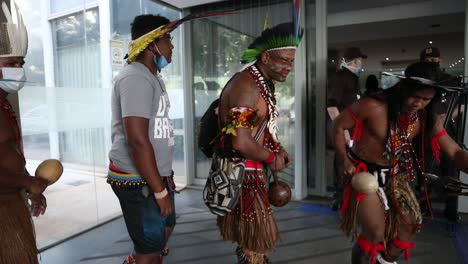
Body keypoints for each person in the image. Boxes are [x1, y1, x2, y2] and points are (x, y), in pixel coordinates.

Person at [333, 61, 468, 264]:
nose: (418, 103)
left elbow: (455, 151)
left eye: (425, 99)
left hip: (394, 174)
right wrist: (344, 159)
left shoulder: (424, 118)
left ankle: (383, 261)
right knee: (376, 233)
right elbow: (337, 125)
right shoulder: (374, 105)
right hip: (363, 173)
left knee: (409, 226)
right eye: (415, 96)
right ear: (403, 87)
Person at [216, 22, 301, 264]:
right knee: (255, 245)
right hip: (244, 177)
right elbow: (241, 141)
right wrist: (272, 158)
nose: (288, 67)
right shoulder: (246, 86)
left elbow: (256, 130)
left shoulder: (261, 84)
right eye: (283, 60)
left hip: (252, 175)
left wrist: (277, 149)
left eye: (291, 62)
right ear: (265, 57)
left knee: (256, 246)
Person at [107, 14, 178, 264]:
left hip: (155, 176)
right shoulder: (135, 76)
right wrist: (159, 191)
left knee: (165, 227)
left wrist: (164, 179)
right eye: (168, 39)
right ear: (151, 44)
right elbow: (136, 140)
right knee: (149, 246)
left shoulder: (150, 76)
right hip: (138, 180)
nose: (172, 46)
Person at [0, 0, 48, 263]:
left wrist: (29, 184)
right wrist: (26, 182)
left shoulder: (3, 103)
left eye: (21, 63)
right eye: (12, 62)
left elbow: (6, 153)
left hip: (11, 204)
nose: (18, 70)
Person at [326, 47, 367, 210]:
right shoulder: (340, 77)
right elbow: (332, 107)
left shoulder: (353, 79)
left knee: (352, 161)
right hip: (343, 129)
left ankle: (349, 197)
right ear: (355, 61)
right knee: (342, 161)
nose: (360, 64)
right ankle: (339, 199)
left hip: (353, 128)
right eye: (359, 61)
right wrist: (342, 131)